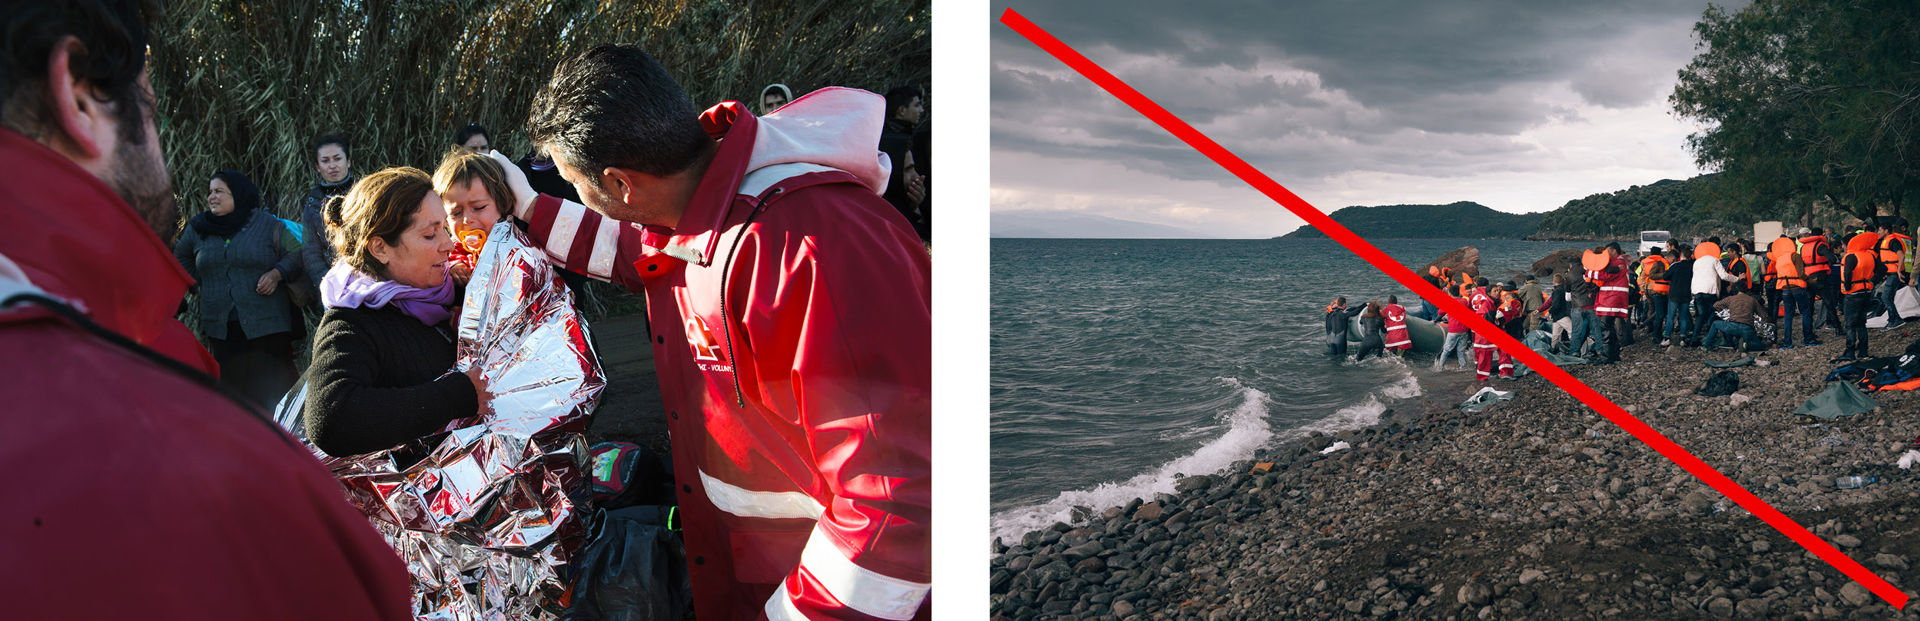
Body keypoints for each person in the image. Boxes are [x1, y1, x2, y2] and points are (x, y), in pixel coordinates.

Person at [0, 2, 411, 617]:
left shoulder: (266, 233)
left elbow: (295, 258)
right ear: (79, 99)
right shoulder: (215, 473)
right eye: (153, 109)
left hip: (260, 331)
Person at [521, 45, 929, 619]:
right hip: (762, 571)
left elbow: (897, 499)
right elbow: (639, 252)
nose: (580, 199)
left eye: (573, 185)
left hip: (815, 592)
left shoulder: (811, 248)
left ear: (619, 183)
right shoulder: (707, 209)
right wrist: (521, 208)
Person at [302, 168, 490, 457]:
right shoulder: (352, 321)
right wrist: (457, 395)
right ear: (380, 248)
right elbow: (331, 419)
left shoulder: (453, 290)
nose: (449, 245)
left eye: (444, 228)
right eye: (429, 235)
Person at [172, 169, 303, 408]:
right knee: (235, 394)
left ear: (238, 195)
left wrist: (276, 274)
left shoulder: (266, 224)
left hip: (267, 325)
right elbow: (181, 255)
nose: (212, 197)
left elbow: (296, 253)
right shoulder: (199, 228)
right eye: (210, 192)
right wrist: (199, 282)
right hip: (222, 327)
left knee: (276, 388)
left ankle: (286, 439)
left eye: (220, 191)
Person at [433, 149, 518, 283]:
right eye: (456, 213)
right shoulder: (450, 248)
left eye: (479, 208)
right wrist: (455, 266)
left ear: (501, 203)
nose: (467, 220)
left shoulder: (517, 245)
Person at [300, 133, 358, 292]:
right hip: (332, 282)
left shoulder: (364, 194)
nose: (332, 165)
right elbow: (311, 250)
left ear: (348, 161)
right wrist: (328, 283)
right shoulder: (313, 202)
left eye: (337, 158)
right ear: (317, 167)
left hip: (368, 276)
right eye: (325, 161)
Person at [880, 84, 928, 242]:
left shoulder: (881, 135)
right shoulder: (896, 143)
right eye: (917, 105)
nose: (921, 110)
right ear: (901, 110)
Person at [1836, 231, 1883, 362]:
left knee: (1850, 324)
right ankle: (1863, 351)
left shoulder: (1850, 256)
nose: (1843, 247)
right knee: (1862, 323)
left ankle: (1850, 352)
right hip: (1866, 292)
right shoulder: (1870, 255)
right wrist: (1873, 281)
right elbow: (1882, 269)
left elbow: (1847, 273)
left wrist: (1848, 287)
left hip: (1853, 294)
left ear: (1847, 244)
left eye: (1843, 245)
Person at [1586, 243, 1631, 361]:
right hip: (1612, 298)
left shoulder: (1617, 263)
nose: (1605, 254)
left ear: (1614, 251)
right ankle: (1614, 354)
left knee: (1605, 326)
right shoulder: (1619, 262)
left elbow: (1604, 275)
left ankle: (1607, 356)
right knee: (1609, 327)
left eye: (1608, 251)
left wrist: (1588, 272)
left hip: (1611, 299)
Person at [1772, 235, 1816, 348]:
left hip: (1785, 289)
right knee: (1805, 312)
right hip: (1797, 287)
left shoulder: (1780, 258)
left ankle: (1787, 342)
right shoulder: (1795, 256)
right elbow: (1801, 274)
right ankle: (1808, 339)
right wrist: (1811, 280)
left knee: (1788, 315)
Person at [1690, 241, 1738, 344]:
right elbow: (1724, 276)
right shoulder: (1715, 260)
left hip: (1697, 291)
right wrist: (1737, 279)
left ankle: (1694, 338)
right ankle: (1710, 337)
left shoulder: (1697, 261)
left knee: (1701, 315)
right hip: (1710, 291)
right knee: (1713, 313)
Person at [1469, 278, 1514, 381]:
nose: (1498, 293)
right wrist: (1494, 316)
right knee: (1485, 356)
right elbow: (1483, 317)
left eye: (1498, 291)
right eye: (1495, 291)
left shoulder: (1494, 302)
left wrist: (1505, 313)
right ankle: (1483, 377)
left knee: (1504, 351)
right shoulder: (1487, 304)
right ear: (1488, 292)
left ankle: (1505, 373)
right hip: (1485, 334)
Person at [1800, 227, 1841, 333]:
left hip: (1808, 278)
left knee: (1809, 306)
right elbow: (1832, 258)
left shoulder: (1803, 247)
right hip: (1820, 277)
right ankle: (1838, 328)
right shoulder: (1820, 245)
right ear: (1821, 235)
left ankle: (1808, 332)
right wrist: (1827, 266)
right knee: (1829, 303)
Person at [1876, 220, 1912, 329]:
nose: (1878, 232)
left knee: (1886, 297)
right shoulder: (1886, 241)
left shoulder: (1892, 241)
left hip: (1895, 274)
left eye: (1880, 230)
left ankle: (1895, 320)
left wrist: (1898, 271)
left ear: (1886, 231)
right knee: (1888, 297)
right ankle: (1894, 319)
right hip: (1891, 273)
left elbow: (1901, 255)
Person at [1435, 290, 1474, 370]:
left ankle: (1440, 367)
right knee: (1461, 350)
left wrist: (1435, 321)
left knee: (1446, 350)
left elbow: (1440, 313)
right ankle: (1463, 367)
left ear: (1450, 293)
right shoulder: (1464, 301)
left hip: (1453, 330)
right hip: (1464, 329)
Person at [1663, 245, 1694, 346]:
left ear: (1681, 255)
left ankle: (1667, 337)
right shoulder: (1692, 267)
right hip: (1686, 294)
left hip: (1674, 294)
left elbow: (1665, 276)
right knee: (1683, 317)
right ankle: (1683, 338)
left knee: (1671, 316)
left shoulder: (1675, 265)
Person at [1639, 246, 1669, 339]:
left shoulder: (1644, 262)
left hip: (1647, 288)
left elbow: (1641, 275)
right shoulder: (1663, 262)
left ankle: (1649, 327)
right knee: (1659, 311)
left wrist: (1642, 288)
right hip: (1658, 288)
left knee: (1651, 308)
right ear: (1660, 253)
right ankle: (1654, 329)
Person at [1547, 274, 1574, 353]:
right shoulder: (1564, 289)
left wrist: (1549, 312)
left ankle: (1553, 350)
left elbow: (1556, 304)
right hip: (1562, 315)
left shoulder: (1557, 291)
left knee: (1557, 335)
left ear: (1554, 281)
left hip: (1559, 316)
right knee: (1569, 332)